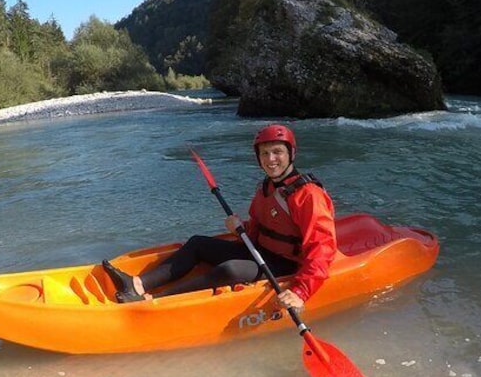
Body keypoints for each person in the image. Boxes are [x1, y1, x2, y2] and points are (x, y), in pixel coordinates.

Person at [102, 124, 337, 312]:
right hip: (260, 251)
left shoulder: (308, 195)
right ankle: (138, 284)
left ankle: (153, 300)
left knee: (231, 270)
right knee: (197, 243)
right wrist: (240, 229)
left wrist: (300, 291)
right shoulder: (265, 187)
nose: (270, 159)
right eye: (264, 153)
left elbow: (323, 248)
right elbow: (259, 228)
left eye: (277, 152)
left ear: (291, 154)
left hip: (286, 263)